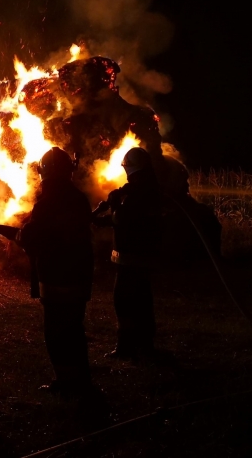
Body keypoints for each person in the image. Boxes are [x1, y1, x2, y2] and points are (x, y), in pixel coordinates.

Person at [0, 147, 94, 397]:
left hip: (57, 277)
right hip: (79, 275)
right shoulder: (79, 198)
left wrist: (4, 229)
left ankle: (66, 383)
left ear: (44, 173)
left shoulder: (47, 204)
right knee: (74, 329)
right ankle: (81, 379)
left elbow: (32, 238)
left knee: (57, 332)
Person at [93, 146, 162, 358]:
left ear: (130, 168)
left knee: (124, 302)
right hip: (143, 256)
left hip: (130, 258)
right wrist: (103, 218)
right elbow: (124, 219)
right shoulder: (150, 189)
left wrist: (114, 204)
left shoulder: (137, 193)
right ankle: (145, 346)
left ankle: (126, 346)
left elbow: (123, 220)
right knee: (142, 301)